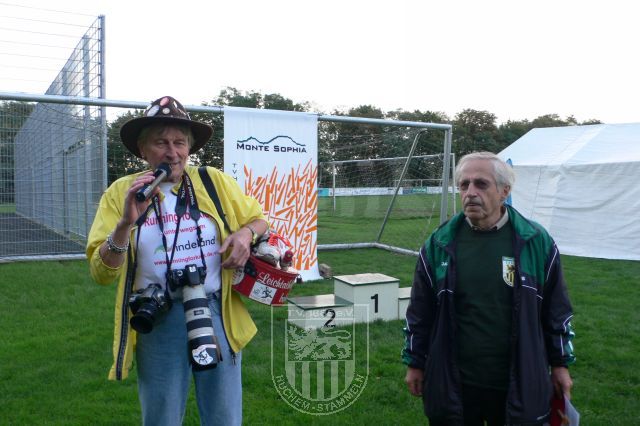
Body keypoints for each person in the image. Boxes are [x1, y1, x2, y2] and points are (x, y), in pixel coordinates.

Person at [86, 96, 268, 426]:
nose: (173, 152)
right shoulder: (121, 192)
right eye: (161, 142)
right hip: (158, 316)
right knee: (162, 416)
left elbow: (258, 220)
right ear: (142, 150)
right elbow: (102, 273)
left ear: (189, 148)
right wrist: (125, 224)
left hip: (216, 310)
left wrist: (245, 234)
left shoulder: (213, 181)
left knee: (225, 416)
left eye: (180, 142)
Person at [402, 151, 575, 425]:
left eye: (481, 184)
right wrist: (415, 362)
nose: (470, 192)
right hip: (455, 382)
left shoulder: (536, 241)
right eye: (464, 184)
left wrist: (560, 364)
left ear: (505, 191)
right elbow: (420, 311)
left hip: (516, 381)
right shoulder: (439, 243)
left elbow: (557, 310)